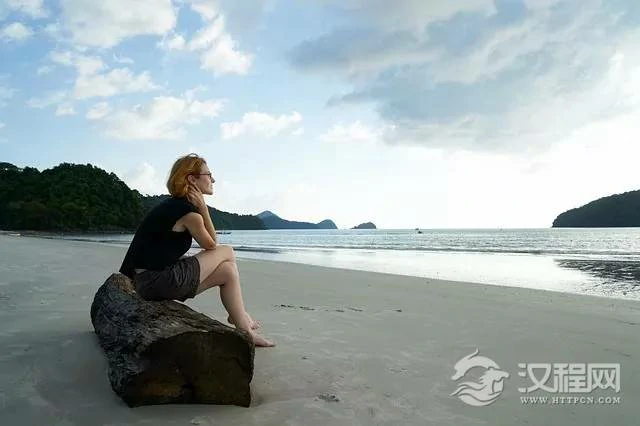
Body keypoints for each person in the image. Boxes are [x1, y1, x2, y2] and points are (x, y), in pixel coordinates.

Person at [119, 153, 275, 347]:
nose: (213, 180)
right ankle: (242, 321)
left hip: (146, 282)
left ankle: (241, 322)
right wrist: (204, 209)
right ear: (192, 179)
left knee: (228, 271)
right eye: (209, 175)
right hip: (156, 282)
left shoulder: (172, 206)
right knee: (227, 251)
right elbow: (212, 244)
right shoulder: (189, 213)